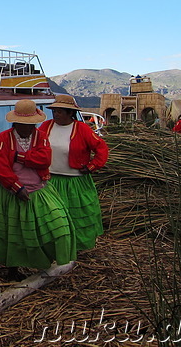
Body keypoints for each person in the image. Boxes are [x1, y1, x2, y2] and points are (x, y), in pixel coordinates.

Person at [0, 99, 76, 279]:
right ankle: (12, 269)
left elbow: (44, 159)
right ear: (15, 122)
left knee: (57, 225)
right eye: (25, 124)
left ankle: (44, 259)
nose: (29, 128)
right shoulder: (3, 138)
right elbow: (0, 167)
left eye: (32, 124)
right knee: (13, 231)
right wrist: (16, 187)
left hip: (38, 189)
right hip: (9, 192)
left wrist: (19, 156)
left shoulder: (40, 136)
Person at [39, 94, 108, 251]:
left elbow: (101, 149)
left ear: (70, 113)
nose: (56, 114)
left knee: (77, 216)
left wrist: (92, 166)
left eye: (60, 112)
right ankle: (55, 247)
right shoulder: (46, 127)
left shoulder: (81, 129)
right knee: (52, 216)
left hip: (74, 182)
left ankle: (76, 248)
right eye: (54, 111)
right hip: (51, 180)